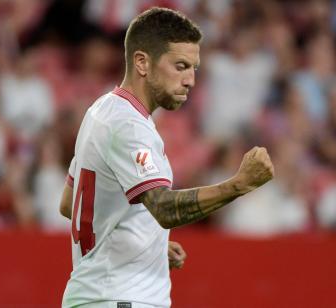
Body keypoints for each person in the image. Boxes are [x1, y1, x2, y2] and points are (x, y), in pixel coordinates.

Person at [59, 7, 274, 308]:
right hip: (121, 299)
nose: (190, 80)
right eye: (181, 66)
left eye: (194, 69)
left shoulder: (100, 110)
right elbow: (164, 208)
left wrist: (149, 245)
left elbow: (70, 205)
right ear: (142, 63)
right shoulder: (129, 125)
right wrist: (240, 184)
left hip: (96, 295)